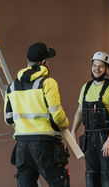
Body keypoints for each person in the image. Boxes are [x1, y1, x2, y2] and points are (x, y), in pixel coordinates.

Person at [4, 42, 70, 187]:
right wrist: (65, 125)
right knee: (59, 183)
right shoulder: (48, 83)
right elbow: (57, 117)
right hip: (45, 145)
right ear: (44, 62)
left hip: (22, 147)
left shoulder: (12, 86)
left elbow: (8, 119)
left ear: (28, 62)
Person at [71, 51, 109, 187]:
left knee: (108, 176)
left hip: (106, 137)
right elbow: (79, 111)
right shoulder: (86, 87)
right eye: (94, 65)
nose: (97, 69)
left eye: (101, 66)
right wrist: (72, 132)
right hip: (89, 138)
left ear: (107, 68)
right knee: (91, 176)